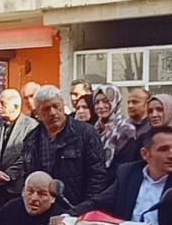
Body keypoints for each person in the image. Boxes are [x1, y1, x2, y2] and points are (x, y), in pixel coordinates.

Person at [24, 85, 110, 213]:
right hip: (44, 210)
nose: (53, 112)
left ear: (63, 105)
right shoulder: (32, 140)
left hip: (76, 209)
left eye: (56, 106)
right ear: (37, 113)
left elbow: (97, 176)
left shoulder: (85, 133)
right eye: (46, 109)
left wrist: (84, 209)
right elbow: (28, 177)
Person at [0, 87, 38, 210]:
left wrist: (7, 175)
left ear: (15, 106)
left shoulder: (31, 126)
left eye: (2, 103)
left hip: (17, 187)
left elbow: (26, 156)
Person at [95, 88, 139, 168]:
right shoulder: (94, 129)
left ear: (115, 102)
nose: (100, 106)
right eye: (97, 102)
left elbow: (126, 163)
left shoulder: (126, 129)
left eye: (106, 101)